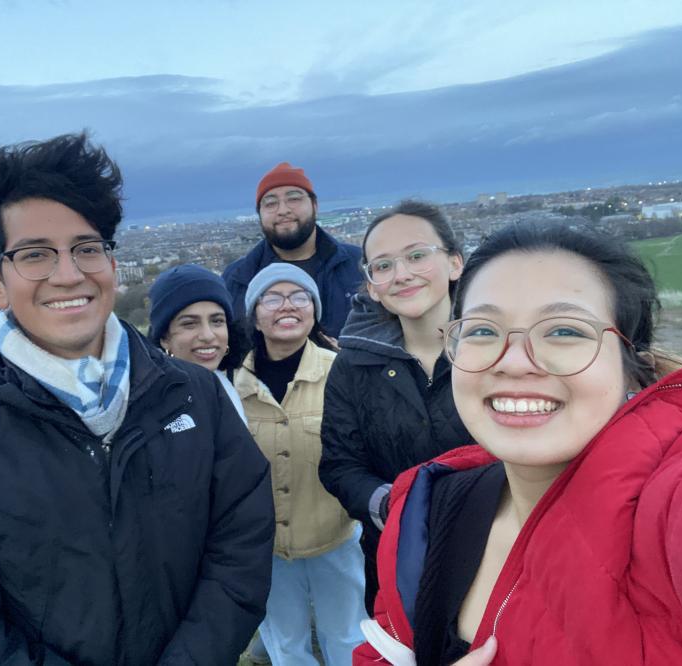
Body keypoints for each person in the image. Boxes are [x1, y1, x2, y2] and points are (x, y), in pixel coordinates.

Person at [0, 132, 275, 665]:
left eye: (86, 248)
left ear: (113, 266)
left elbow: (241, 551)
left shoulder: (196, 397)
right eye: (35, 254)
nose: (68, 273)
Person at [355, 223, 682, 665]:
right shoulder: (427, 507)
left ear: (632, 368)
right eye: (482, 331)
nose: (514, 362)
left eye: (564, 331)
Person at [319, 200, 472, 614]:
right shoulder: (353, 365)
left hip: (500, 551)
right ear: (371, 286)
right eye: (383, 266)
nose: (401, 274)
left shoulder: (496, 350)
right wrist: (392, 506)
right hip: (398, 562)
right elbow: (340, 464)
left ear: (455, 263)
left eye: (417, 256)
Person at [234, 263, 367, 665]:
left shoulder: (343, 373)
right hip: (266, 547)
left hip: (335, 537)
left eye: (299, 296)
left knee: (347, 638)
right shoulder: (231, 383)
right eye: (272, 297)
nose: (286, 306)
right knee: (285, 644)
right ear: (255, 313)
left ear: (314, 310)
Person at [223, 162, 364, 337]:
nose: (283, 210)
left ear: (314, 205)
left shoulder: (359, 264)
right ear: (259, 213)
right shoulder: (237, 277)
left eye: (294, 199)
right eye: (270, 203)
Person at [148, 263, 250, 422]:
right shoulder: (150, 405)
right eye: (189, 324)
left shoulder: (228, 388)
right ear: (164, 338)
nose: (208, 335)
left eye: (217, 321)